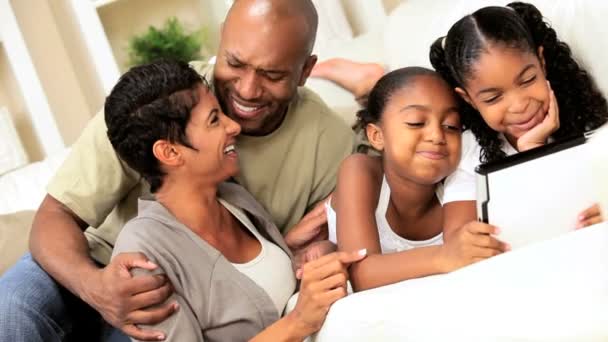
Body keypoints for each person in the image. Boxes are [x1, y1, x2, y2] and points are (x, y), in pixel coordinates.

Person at [0, 0, 355, 341]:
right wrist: (95, 287)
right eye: (235, 62)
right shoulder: (166, 97)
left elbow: (315, 245)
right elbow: (56, 214)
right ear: (222, 38)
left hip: (188, 293)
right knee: (11, 312)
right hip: (88, 261)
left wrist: (309, 249)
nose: (247, 89)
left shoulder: (327, 143)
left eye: (272, 74)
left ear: (305, 71)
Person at [105, 60, 365, 341]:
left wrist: (296, 254)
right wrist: (298, 322)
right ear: (169, 152)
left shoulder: (232, 198)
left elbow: (260, 292)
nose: (233, 127)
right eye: (214, 120)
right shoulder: (143, 258)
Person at [311, 2, 607, 247]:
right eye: (493, 98)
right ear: (469, 100)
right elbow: (459, 244)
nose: (519, 106)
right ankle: (368, 82)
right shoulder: (470, 149)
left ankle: (367, 81)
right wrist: (532, 150)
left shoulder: (588, 119)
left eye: (528, 80)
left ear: (542, 63)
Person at [327, 67, 508, 292]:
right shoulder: (360, 170)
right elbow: (362, 274)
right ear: (377, 135)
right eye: (416, 122)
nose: (437, 136)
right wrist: (444, 256)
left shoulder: (459, 182)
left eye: (451, 126)